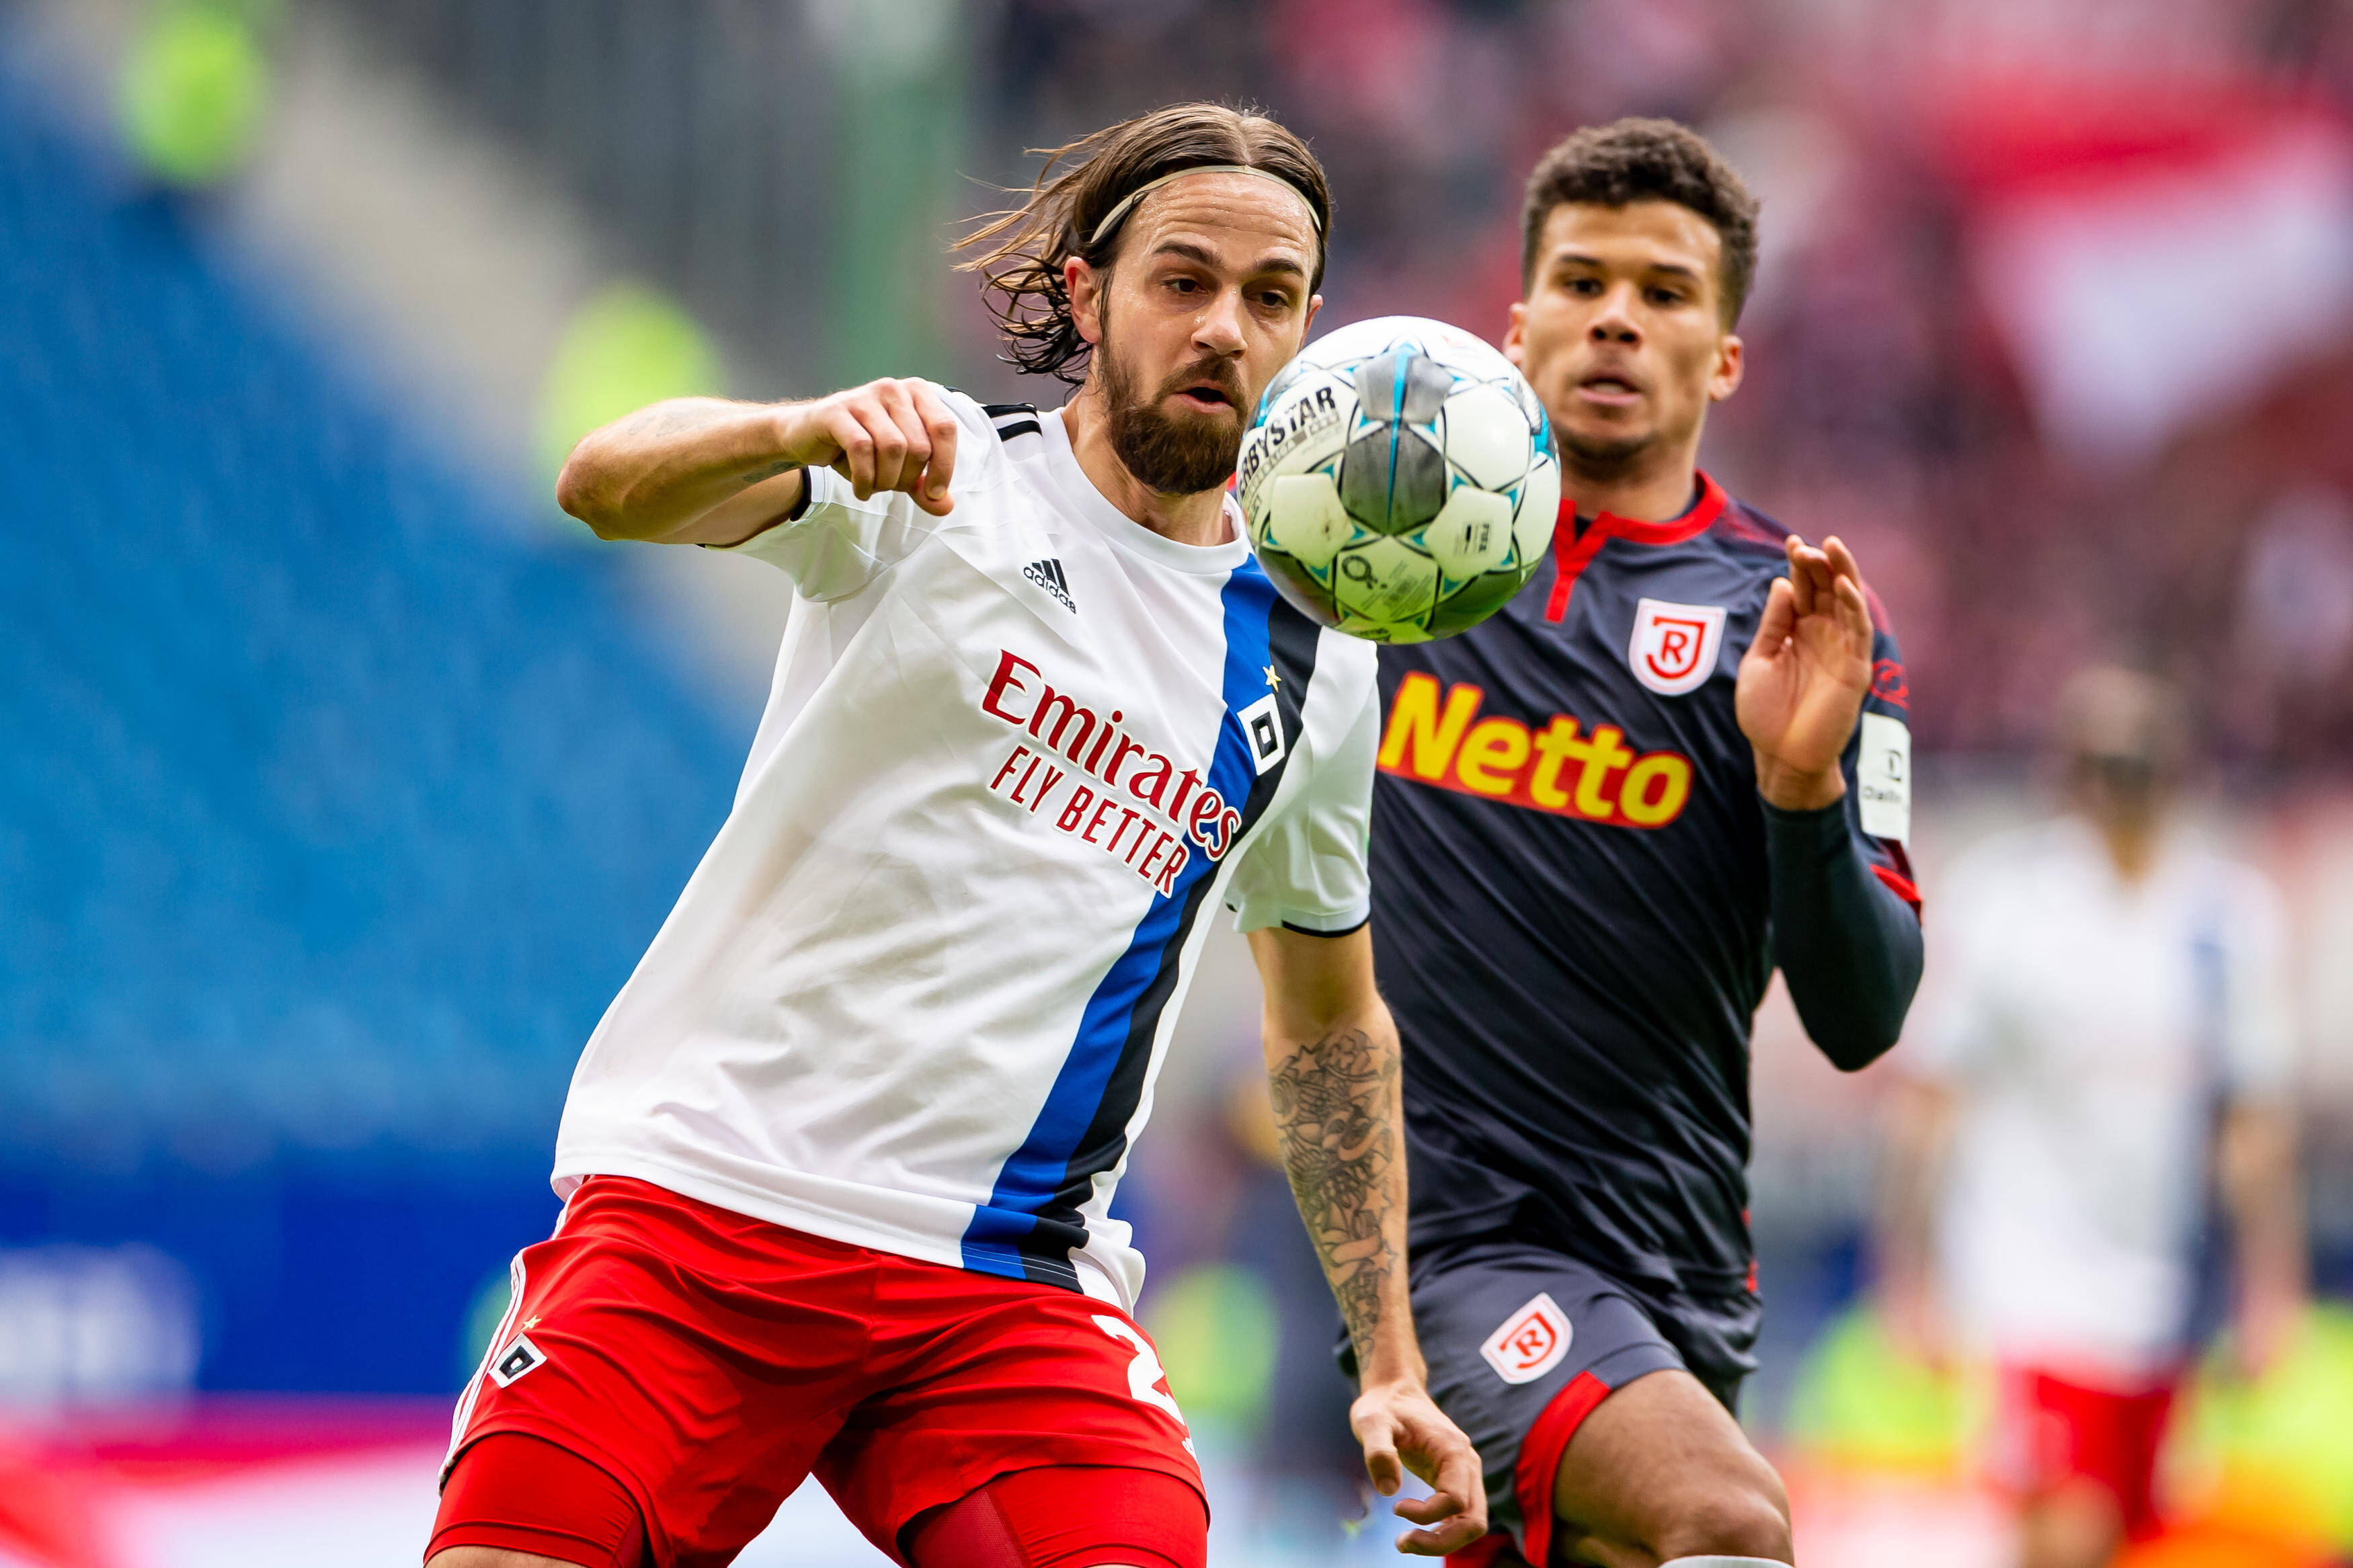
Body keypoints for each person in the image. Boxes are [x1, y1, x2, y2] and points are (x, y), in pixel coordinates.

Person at [423, 103, 1484, 1568]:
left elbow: (1327, 1028)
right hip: (706, 1221)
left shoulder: (1318, 661)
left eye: (1269, 297)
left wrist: (1387, 1360)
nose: (1224, 329)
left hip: (1003, 1293)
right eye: (1182, 281)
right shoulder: (938, 484)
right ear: (1082, 292)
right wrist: (796, 428)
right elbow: (605, 479)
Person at [1363, 119, 1925, 1567]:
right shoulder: (1380, 568)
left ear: (1724, 354)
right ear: (1518, 323)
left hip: (1680, 1266)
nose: (1616, 315)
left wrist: (1797, 784)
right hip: (1457, 1241)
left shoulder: (1799, 626)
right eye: (1581, 280)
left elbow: (1863, 1020)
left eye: (1666, 292)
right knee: (1725, 1515)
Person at [1880, 666, 2306, 1568]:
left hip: (2166, 1300)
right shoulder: (2009, 904)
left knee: (2130, 1539)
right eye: (2101, 759)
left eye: (2137, 758)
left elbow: (2252, 1122)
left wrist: (2269, 1285)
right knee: (2062, 1538)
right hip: (2028, 1286)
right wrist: (1907, 1277)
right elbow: (1931, 1099)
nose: (2119, 781)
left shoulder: (2224, 921)